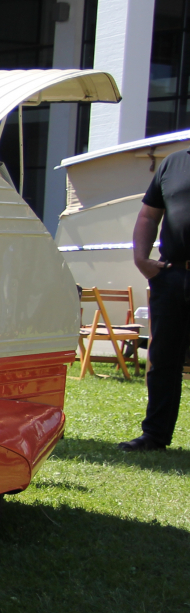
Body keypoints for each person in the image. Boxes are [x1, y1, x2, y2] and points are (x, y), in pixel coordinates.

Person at [120, 148, 190, 451]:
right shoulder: (174, 162)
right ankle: (155, 435)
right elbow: (149, 214)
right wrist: (141, 258)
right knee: (162, 359)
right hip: (173, 275)